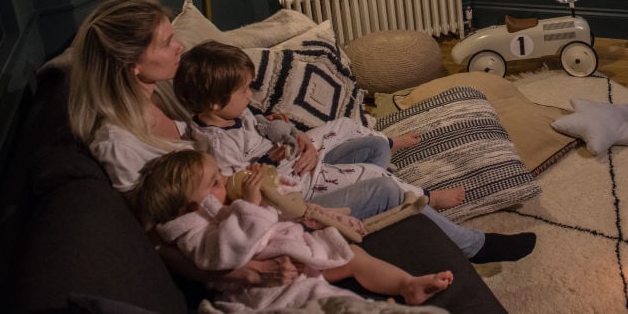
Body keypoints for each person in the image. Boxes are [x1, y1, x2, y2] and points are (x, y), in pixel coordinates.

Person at [67, 0, 535, 273]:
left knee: (365, 148)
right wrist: (240, 271)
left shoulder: (158, 94)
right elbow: (158, 236)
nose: (180, 46)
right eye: (168, 42)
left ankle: (401, 184)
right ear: (131, 64)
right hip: (269, 212)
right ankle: (473, 246)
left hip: (284, 174)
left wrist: (294, 137)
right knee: (383, 186)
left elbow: (242, 122)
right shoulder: (118, 142)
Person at [137, 149, 453, 311]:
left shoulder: (222, 208)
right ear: (195, 205)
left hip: (298, 253)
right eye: (216, 182)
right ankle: (368, 311)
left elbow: (283, 207)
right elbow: (227, 253)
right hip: (270, 289)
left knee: (351, 254)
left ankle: (407, 285)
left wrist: (272, 187)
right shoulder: (194, 234)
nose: (226, 179)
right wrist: (249, 204)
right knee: (319, 297)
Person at [174, 40, 465, 210]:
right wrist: (269, 161)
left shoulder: (230, 112)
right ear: (215, 103)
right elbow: (237, 185)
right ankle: (428, 198)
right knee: (372, 174)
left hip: (293, 151)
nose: (250, 95)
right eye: (243, 91)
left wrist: (274, 124)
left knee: (343, 124)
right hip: (294, 180)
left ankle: (387, 143)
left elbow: (254, 125)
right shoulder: (216, 144)